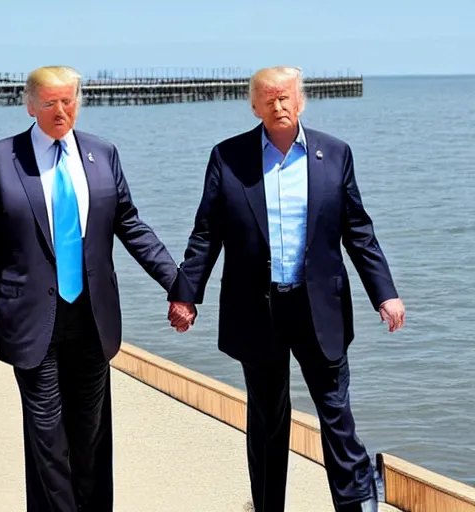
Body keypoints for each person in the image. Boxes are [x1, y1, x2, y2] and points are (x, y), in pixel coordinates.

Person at [168, 66, 405, 512]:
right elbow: (206, 233)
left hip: (319, 307)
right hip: (258, 310)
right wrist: (186, 294)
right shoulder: (228, 157)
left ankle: (355, 505)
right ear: (254, 106)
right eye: (269, 99)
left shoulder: (335, 154)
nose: (279, 106)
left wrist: (384, 293)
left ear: (301, 101)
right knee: (267, 423)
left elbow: (358, 230)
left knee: (337, 417)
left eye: (286, 97)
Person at [0, 65, 178, 512]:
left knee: (91, 435)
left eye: (68, 101)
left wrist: (178, 283)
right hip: (30, 320)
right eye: (49, 103)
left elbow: (130, 226)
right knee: (47, 437)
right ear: (30, 105)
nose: (61, 111)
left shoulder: (103, 154)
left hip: (92, 319)